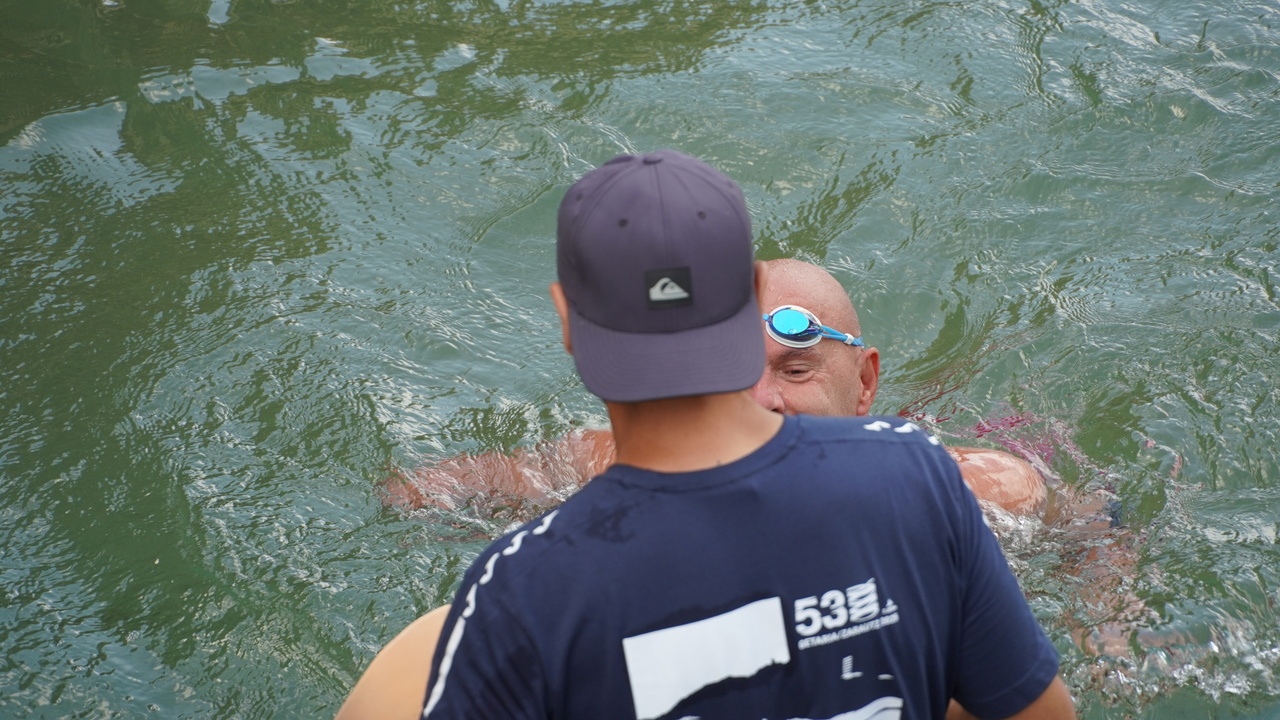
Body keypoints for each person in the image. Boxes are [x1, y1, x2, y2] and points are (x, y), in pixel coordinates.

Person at [340, 149, 1075, 720]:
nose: (771, 398)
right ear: (749, 297)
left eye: (798, 371)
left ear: (566, 320)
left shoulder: (517, 593)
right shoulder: (919, 480)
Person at [382, 258, 1048, 519]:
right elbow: (422, 490)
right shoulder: (623, 464)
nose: (761, 402)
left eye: (796, 371)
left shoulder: (973, 491)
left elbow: (1085, 533)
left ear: (865, 382)